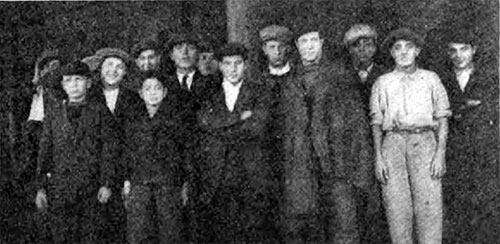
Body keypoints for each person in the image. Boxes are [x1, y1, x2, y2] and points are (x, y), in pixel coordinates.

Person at [370, 28, 451, 244]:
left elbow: (443, 118)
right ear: (391, 53)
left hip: (424, 143)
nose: (403, 52)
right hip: (393, 144)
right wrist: (379, 157)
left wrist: (439, 154)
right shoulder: (382, 82)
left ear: (417, 51)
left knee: (429, 207)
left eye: (409, 47)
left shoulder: (431, 79)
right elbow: (377, 123)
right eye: (398, 48)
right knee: (397, 209)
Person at [197, 43, 273, 243]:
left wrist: (221, 128)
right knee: (223, 233)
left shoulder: (260, 92)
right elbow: (205, 124)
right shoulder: (208, 93)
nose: (233, 69)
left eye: (238, 63)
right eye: (228, 63)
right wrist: (240, 117)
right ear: (220, 66)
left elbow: (257, 128)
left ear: (246, 65)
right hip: (219, 177)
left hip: (251, 175)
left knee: (253, 233)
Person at [34, 61, 114, 244]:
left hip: (91, 187)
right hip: (60, 188)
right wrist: (40, 187)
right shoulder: (54, 113)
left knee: (90, 235)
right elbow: (45, 151)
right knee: (62, 235)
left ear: (88, 83)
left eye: (79, 79)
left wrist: (106, 183)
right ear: (63, 85)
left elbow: (109, 150)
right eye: (68, 81)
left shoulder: (100, 111)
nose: (74, 84)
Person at [280, 21, 344, 243]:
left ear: (322, 43)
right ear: (297, 46)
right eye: (304, 41)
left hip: (332, 161)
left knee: (335, 222)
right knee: (306, 222)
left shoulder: (338, 76)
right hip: (300, 164)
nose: (309, 46)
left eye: (313, 40)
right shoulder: (290, 81)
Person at [438, 25, 499, 244]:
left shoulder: (491, 77)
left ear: (473, 49)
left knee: (486, 208)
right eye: (452, 50)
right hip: (454, 153)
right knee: (457, 207)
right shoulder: (441, 80)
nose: (458, 55)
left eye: (463, 49)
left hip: (485, 152)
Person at [122, 71, 186, 244]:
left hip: (168, 184)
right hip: (140, 183)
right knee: (139, 233)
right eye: (147, 89)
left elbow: (184, 153)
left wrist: (184, 182)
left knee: (170, 232)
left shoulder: (176, 120)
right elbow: (127, 152)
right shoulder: (134, 120)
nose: (152, 93)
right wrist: (127, 180)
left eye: (157, 88)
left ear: (165, 92)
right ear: (141, 93)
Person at [88, 47, 143, 244]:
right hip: (92, 171)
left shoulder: (134, 99)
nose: (113, 70)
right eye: (109, 65)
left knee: (119, 227)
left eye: (119, 67)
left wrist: (128, 176)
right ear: (100, 68)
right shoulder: (88, 95)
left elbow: (136, 140)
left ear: (126, 72)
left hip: (122, 171)